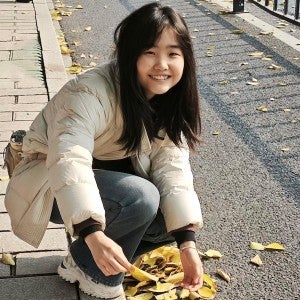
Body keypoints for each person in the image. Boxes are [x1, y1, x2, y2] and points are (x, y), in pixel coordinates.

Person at [4, 2, 204, 299]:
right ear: (129, 54)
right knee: (141, 197)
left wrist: (187, 244)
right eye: (149, 52)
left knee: (173, 217)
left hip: (102, 182)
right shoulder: (90, 90)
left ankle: (82, 259)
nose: (162, 65)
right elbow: (68, 158)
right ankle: (95, 273)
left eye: (173, 54)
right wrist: (92, 232)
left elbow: (173, 170)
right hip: (47, 181)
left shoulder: (168, 99)